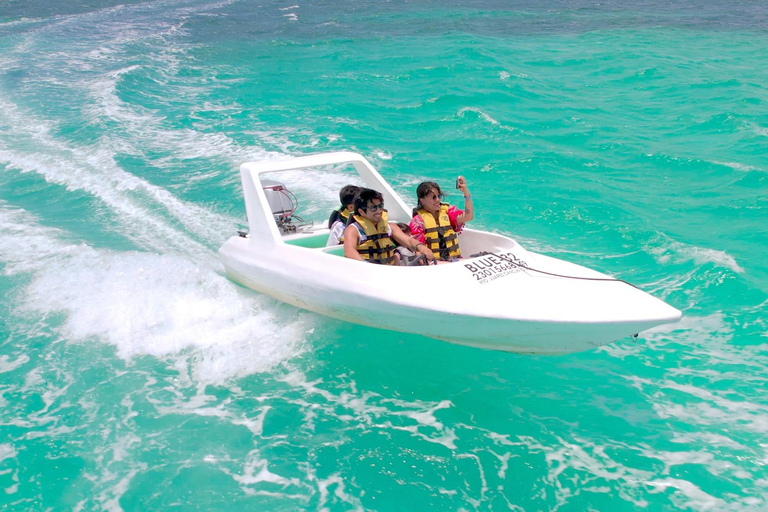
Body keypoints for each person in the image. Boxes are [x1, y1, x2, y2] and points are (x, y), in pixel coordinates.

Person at [343, 188, 435, 265]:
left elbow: (408, 240)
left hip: (390, 271)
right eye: (373, 208)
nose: (379, 211)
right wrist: (366, 267)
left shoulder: (390, 227)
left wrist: (420, 247)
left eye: (380, 206)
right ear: (361, 211)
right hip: (367, 274)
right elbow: (349, 251)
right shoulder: (353, 230)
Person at [410, 177, 474, 261]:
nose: (438, 200)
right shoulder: (417, 222)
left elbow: (468, 216)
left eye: (439, 196)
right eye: (433, 197)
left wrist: (466, 193)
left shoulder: (448, 212)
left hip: (455, 260)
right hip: (435, 265)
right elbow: (419, 255)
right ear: (422, 200)